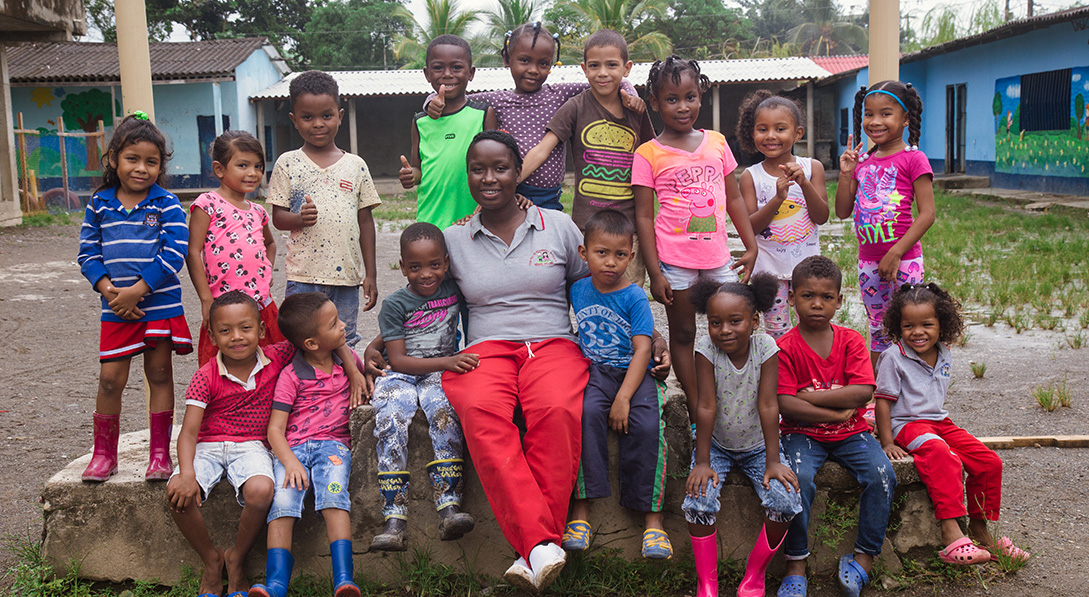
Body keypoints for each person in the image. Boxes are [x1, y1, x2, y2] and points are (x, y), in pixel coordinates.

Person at [632, 55, 758, 431]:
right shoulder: (647, 154)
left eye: (690, 97)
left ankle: (735, 399)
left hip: (718, 258)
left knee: (733, 330)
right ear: (654, 102)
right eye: (671, 99)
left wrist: (750, 245)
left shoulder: (717, 143)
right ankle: (697, 404)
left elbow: (734, 198)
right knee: (685, 333)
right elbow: (644, 217)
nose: (682, 106)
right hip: (675, 261)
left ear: (700, 96)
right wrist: (655, 273)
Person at [875, 283, 1029, 566]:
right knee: (941, 454)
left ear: (942, 325)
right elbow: (883, 402)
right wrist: (887, 442)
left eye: (927, 324)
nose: (917, 332)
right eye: (908, 326)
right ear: (899, 326)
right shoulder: (893, 358)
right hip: (907, 425)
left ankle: (980, 530)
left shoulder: (944, 352)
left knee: (988, 462)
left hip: (939, 421)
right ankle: (951, 532)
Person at [77, 112, 192, 482]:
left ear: (161, 166)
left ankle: (159, 455)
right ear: (114, 159)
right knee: (110, 380)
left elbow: (174, 252)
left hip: (158, 306)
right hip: (115, 310)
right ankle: (103, 455)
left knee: (159, 374)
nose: (141, 168)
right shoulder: (99, 203)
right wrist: (109, 291)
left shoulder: (167, 203)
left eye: (151, 162)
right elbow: (88, 254)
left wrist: (139, 290)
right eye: (132, 159)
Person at [421, 21, 644, 211]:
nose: (533, 69)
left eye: (543, 63)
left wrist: (630, 94)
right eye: (524, 60)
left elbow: (608, 80)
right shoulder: (497, 100)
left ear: (552, 64)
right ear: (508, 59)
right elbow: (457, 98)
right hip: (512, 192)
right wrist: (431, 101)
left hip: (550, 197)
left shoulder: (560, 94)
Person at [775, 256, 896, 597]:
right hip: (802, 434)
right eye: (807, 295)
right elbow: (785, 403)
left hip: (852, 434)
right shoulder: (784, 347)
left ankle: (864, 559)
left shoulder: (851, 341)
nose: (817, 303)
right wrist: (835, 413)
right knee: (798, 480)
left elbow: (863, 391)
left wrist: (811, 398)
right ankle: (796, 564)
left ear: (839, 301)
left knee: (882, 474)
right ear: (791, 297)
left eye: (826, 297)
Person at [683, 273, 802, 597]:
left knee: (785, 502)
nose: (724, 330)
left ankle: (754, 575)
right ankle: (707, 583)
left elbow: (768, 404)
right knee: (699, 501)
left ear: (754, 321)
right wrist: (703, 461)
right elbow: (706, 405)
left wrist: (773, 461)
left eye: (734, 321)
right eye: (715, 322)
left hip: (759, 447)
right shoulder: (706, 349)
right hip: (717, 445)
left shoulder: (765, 347)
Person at [167, 292, 292, 597]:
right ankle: (211, 560)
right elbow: (189, 433)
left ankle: (237, 557)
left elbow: (314, 334)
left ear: (261, 329)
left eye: (245, 328)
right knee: (178, 493)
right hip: (208, 446)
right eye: (225, 330)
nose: (236, 337)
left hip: (252, 445)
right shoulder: (205, 376)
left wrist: (358, 364)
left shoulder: (277, 357)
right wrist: (186, 473)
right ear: (212, 336)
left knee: (261, 491)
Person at [563, 209, 671, 560]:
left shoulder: (634, 296)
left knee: (648, 426)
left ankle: (653, 521)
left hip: (635, 375)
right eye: (601, 253)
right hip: (596, 372)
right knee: (584, 414)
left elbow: (643, 349)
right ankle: (581, 512)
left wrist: (624, 397)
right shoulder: (578, 289)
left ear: (631, 256)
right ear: (584, 253)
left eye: (620, 254)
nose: (611, 262)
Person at [519, 29, 656, 287]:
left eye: (611, 65)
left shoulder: (635, 110)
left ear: (626, 68)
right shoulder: (575, 107)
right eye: (594, 65)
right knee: (587, 293)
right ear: (584, 69)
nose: (602, 73)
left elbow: (654, 156)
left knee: (627, 294)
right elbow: (542, 149)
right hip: (586, 227)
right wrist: (510, 182)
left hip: (628, 228)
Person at [251, 292, 367, 597]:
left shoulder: (349, 363)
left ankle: (344, 579)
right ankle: (276, 584)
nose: (343, 326)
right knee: (282, 504)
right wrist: (290, 462)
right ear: (312, 343)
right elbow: (275, 430)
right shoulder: (290, 377)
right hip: (293, 451)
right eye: (334, 323)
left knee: (335, 498)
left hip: (333, 449)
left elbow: (369, 376)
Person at [369, 222, 476, 552]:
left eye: (434, 265)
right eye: (415, 267)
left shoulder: (454, 291)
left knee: (445, 415)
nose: (426, 274)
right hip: (402, 374)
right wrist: (448, 361)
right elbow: (399, 360)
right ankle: (394, 519)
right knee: (390, 420)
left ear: (446, 262)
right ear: (402, 267)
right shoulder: (394, 303)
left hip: (438, 374)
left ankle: (449, 507)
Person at [268, 70, 381, 347]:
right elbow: (278, 218)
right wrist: (299, 219)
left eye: (326, 115)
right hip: (303, 275)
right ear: (294, 120)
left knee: (343, 340)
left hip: (346, 278)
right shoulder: (287, 163)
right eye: (307, 117)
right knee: (301, 342)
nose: (318, 124)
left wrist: (371, 273)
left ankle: (344, 378)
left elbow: (365, 222)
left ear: (340, 116)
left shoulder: (355, 165)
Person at [835, 80, 935, 368]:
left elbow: (927, 214)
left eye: (885, 113)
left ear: (905, 119)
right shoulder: (863, 162)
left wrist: (896, 252)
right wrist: (846, 173)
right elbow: (842, 211)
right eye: (869, 114)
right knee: (878, 330)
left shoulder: (914, 159)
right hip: (868, 263)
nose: (875, 121)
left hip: (905, 261)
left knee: (912, 328)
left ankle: (917, 386)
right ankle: (880, 389)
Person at [187, 130, 284, 366]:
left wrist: (266, 270)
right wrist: (205, 299)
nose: (253, 173)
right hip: (223, 306)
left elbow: (270, 243)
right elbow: (192, 252)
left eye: (258, 166)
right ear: (219, 169)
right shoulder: (207, 204)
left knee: (269, 365)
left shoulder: (258, 211)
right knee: (222, 368)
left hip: (261, 304)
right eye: (243, 165)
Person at [737, 90, 829, 339]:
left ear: (797, 133)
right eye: (762, 129)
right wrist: (777, 199)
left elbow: (821, 216)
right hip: (769, 272)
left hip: (808, 270)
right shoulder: (750, 176)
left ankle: (809, 364)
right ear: (752, 133)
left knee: (811, 325)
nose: (771, 136)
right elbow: (750, 227)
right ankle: (784, 366)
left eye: (780, 129)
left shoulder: (812, 168)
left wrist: (804, 184)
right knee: (777, 332)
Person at [399, 35, 498, 228]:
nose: (447, 74)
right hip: (432, 217)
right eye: (438, 68)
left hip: (475, 219)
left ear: (471, 73)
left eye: (456, 67)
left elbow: (493, 166)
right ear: (427, 74)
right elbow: (418, 169)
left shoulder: (483, 114)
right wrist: (410, 175)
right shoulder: (420, 121)